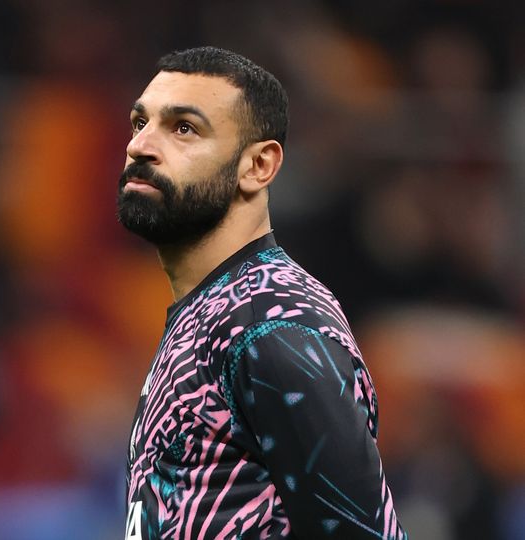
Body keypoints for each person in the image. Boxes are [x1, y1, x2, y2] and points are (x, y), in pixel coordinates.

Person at [118, 47, 406, 539]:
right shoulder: (215, 311)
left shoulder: (274, 326)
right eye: (140, 122)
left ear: (258, 165)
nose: (141, 146)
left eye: (183, 128)